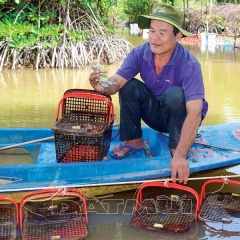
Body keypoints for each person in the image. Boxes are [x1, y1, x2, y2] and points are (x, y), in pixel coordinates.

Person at [89, 3, 208, 184]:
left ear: (178, 36)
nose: (155, 38)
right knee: (128, 86)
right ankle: (133, 141)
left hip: (181, 119)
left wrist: (181, 156)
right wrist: (103, 86)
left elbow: (195, 112)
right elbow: (117, 81)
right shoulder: (139, 53)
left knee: (174, 94)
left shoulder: (189, 64)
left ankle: (176, 149)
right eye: (152, 31)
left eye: (162, 32)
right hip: (157, 114)